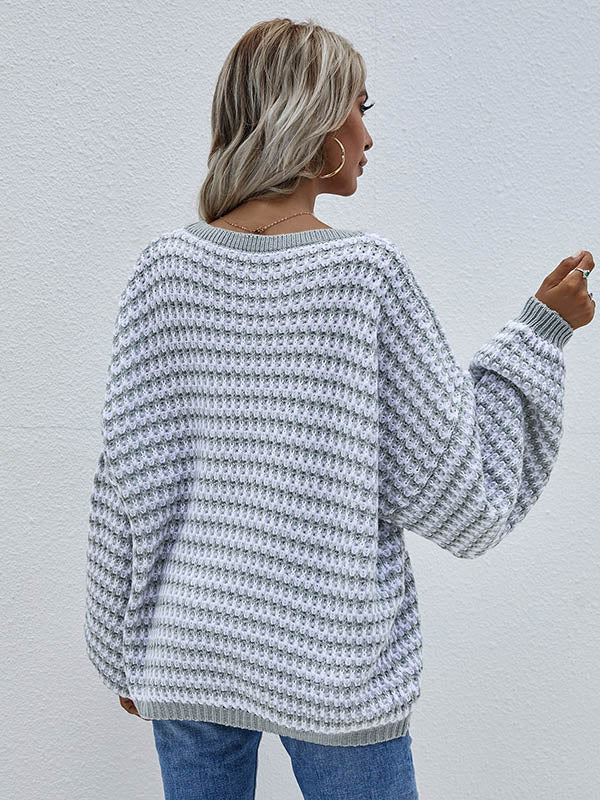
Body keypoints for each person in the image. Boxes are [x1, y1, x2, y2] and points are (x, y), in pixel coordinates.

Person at [83, 17, 595, 800]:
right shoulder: (365, 274)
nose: (367, 134)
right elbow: (461, 494)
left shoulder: (165, 269)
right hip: (334, 667)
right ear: (315, 122)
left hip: (186, 650)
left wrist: (119, 651)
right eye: (360, 107)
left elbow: (126, 483)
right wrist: (541, 331)